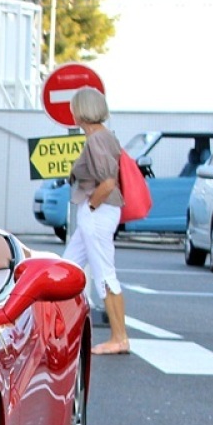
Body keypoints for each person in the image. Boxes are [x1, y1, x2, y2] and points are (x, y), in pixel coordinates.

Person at [64, 85, 129, 355]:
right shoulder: (104, 136)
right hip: (96, 212)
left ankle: (119, 337)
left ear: (82, 111)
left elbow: (108, 182)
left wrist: (91, 207)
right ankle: (61, 329)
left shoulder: (97, 140)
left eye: (74, 107)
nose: (72, 112)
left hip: (97, 212)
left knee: (104, 274)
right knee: (66, 269)